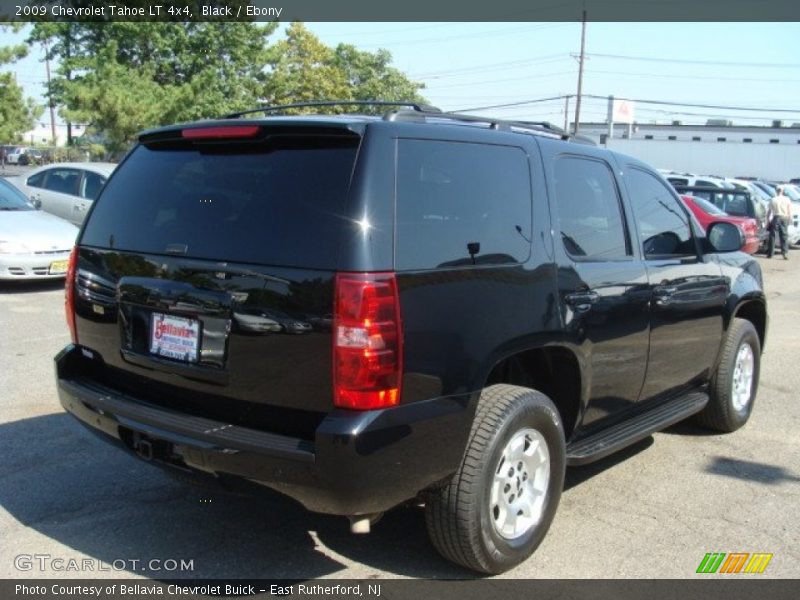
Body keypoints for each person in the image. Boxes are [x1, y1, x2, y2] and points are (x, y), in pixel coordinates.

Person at [767, 185, 793, 259]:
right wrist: (790, 218)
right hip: (784, 217)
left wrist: (768, 220)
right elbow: (789, 211)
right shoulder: (787, 199)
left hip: (776, 217)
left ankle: (770, 253)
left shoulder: (773, 199)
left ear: (776, 190)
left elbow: (769, 211)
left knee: (772, 235)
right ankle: (784, 253)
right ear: (782, 191)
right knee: (784, 236)